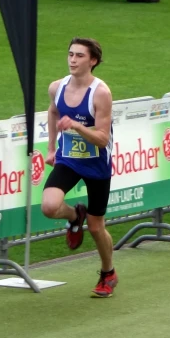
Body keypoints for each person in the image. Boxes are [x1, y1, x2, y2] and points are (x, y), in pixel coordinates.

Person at [41, 37, 117, 298]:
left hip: (96, 163)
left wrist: (76, 126)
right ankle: (75, 217)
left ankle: (108, 272)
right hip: (69, 160)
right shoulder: (56, 87)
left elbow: (102, 138)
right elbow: (53, 112)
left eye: (79, 56)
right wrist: (51, 148)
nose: (72, 60)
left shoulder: (101, 93)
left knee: (97, 228)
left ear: (92, 61)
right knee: (49, 206)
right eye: (70, 54)